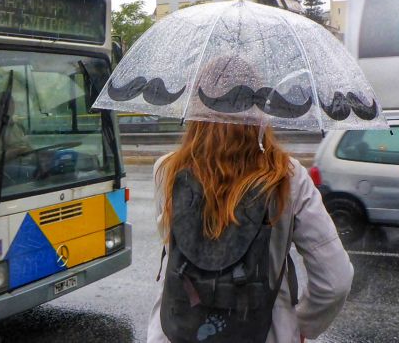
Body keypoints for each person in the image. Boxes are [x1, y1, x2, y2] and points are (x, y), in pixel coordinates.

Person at [147, 121, 354, 343]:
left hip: (175, 330)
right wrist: (303, 324)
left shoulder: (166, 170)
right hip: (266, 333)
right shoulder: (288, 177)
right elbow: (335, 281)